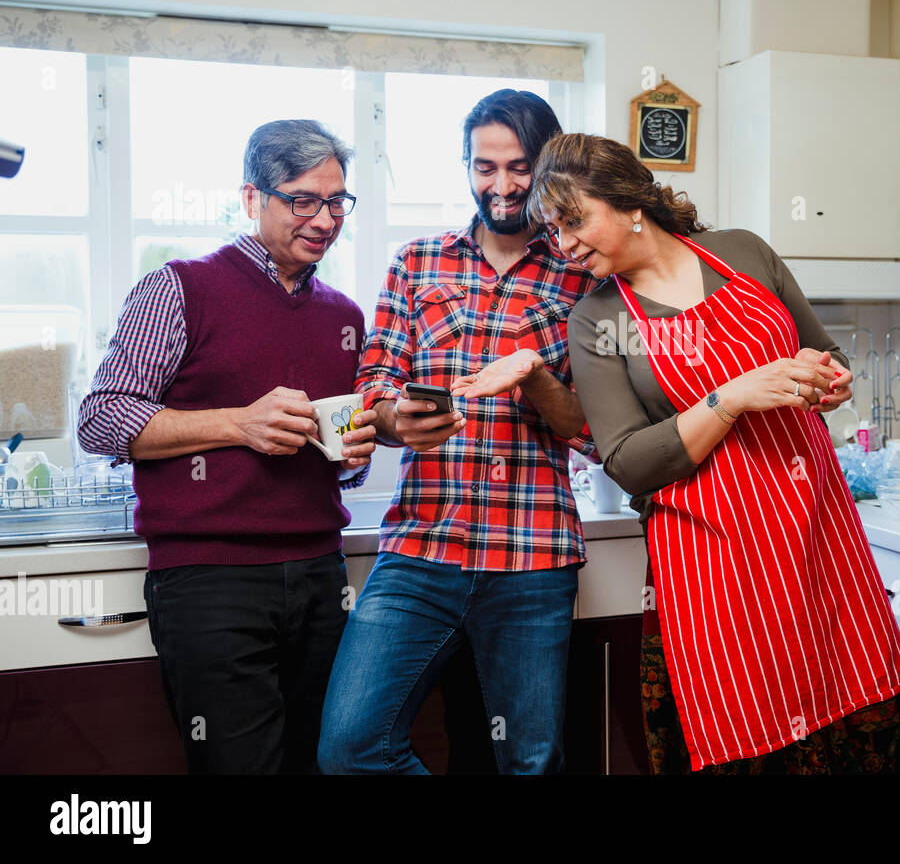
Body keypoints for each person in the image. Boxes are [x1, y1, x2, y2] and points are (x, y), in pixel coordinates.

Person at [531, 133, 900, 773]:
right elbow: (626, 459)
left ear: (629, 203)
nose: (564, 243)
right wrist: (728, 400)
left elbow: (828, 356)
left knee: (855, 726)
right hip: (716, 565)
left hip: (821, 538)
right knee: (748, 738)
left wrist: (833, 381)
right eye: (553, 229)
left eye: (573, 220)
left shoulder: (744, 252)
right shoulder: (596, 319)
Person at [77, 119, 379, 774]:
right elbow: (101, 420)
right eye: (303, 200)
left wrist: (354, 453)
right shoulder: (178, 288)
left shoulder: (345, 317)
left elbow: (337, 467)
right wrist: (237, 423)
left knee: (321, 762)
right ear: (251, 198)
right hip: (210, 580)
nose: (325, 219)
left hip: (322, 575)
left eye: (336, 201)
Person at [317, 90, 599, 775]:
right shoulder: (416, 263)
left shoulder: (585, 273)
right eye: (484, 166)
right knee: (350, 749)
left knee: (529, 764)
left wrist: (532, 375)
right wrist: (390, 419)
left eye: (518, 167)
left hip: (532, 555)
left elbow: (593, 431)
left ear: (549, 169)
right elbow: (373, 386)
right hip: (420, 549)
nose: (500, 186)